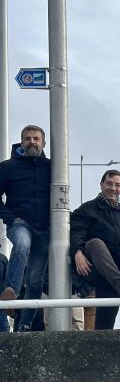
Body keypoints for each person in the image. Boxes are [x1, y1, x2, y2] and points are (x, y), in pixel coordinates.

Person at [70, 169, 120, 330]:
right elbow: (75, 232)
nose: (113, 188)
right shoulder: (87, 209)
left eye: (117, 185)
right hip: (90, 267)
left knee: (105, 327)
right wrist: (77, 252)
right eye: (109, 183)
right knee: (96, 243)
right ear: (101, 185)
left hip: (115, 274)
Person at [0, 125, 51, 331]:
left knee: (35, 280)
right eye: (28, 138)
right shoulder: (7, 167)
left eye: (36, 139)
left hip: (45, 229)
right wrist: (10, 218)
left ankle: (25, 325)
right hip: (20, 223)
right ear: (21, 142)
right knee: (21, 244)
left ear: (43, 143)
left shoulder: (53, 167)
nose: (32, 142)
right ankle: (10, 289)